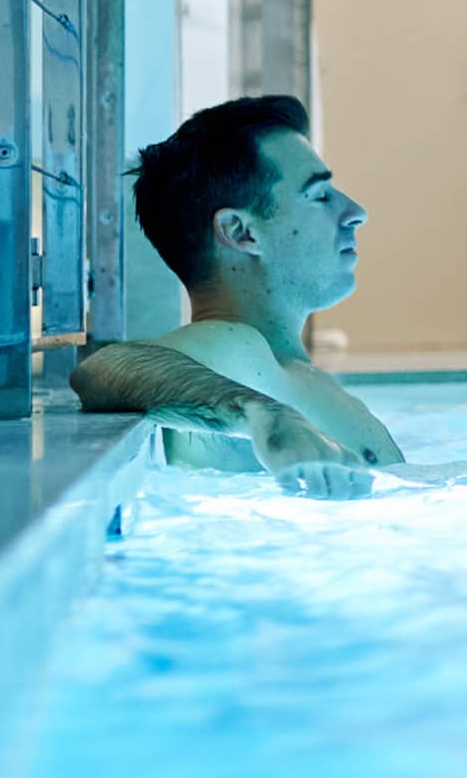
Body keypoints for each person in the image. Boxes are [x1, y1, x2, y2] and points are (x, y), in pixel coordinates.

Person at [71, 95, 400, 499]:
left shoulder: (287, 372)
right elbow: (104, 368)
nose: (355, 212)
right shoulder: (238, 350)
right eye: (319, 195)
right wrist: (264, 415)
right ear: (242, 232)